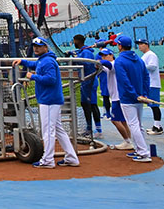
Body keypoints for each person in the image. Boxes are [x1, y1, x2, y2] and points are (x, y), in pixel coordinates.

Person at [12, 37, 80, 168]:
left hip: (49, 100)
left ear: (45, 47)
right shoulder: (44, 59)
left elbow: (51, 79)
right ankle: (71, 157)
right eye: (35, 46)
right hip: (50, 99)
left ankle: (48, 160)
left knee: (48, 131)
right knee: (58, 130)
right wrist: (23, 61)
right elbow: (36, 64)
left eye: (39, 46)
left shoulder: (48, 61)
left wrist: (33, 77)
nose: (36, 48)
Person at [113, 34, 152, 163]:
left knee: (133, 125)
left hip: (128, 97)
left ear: (120, 45)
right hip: (139, 96)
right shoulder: (139, 59)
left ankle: (143, 152)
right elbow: (146, 77)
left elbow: (124, 81)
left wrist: (134, 94)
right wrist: (144, 94)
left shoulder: (120, 61)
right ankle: (139, 148)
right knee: (138, 125)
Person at [97, 47, 133, 150]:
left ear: (111, 55)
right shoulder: (111, 65)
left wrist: (99, 61)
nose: (103, 57)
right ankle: (128, 141)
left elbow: (107, 64)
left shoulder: (114, 64)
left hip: (117, 97)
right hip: (117, 96)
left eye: (105, 55)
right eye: (102, 55)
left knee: (115, 120)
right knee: (123, 121)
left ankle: (127, 141)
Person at [73, 35, 101, 138]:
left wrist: (76, 59)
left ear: (77, 41)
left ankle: (97, 130)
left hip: (90, 82)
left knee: (91, 105)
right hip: (85, 82)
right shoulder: (82, 51)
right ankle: (89, 128)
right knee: (85, 104)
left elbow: (88, 64)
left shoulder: (86, 52)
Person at [138, 38, 163, 135]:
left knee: (154, 104)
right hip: (148, 83)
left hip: (153, 83)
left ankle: (157, 126)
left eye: (141, 44)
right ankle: (156, 125)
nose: (139, 46)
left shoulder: (151, 55)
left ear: (146, 44)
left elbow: (153, 66)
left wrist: (141, 67)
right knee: (152, 105)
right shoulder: (145, 55)